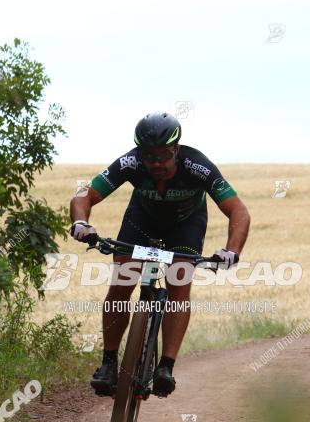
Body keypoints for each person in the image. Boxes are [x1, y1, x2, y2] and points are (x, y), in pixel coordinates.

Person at [69, 111, 250, 398]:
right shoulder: (130, 162)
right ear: (140, 153)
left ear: (176, 150)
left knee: (178, 288)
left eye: (163, 156)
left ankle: (166, 366)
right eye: (148, 156)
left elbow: (238, 210)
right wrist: (81, 222)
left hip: (186, 226)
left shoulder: (198, 166)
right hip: (141, 221)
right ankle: (108, 364)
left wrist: (232, 251)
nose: (156, 164)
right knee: (121, 286)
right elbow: (84, 195)